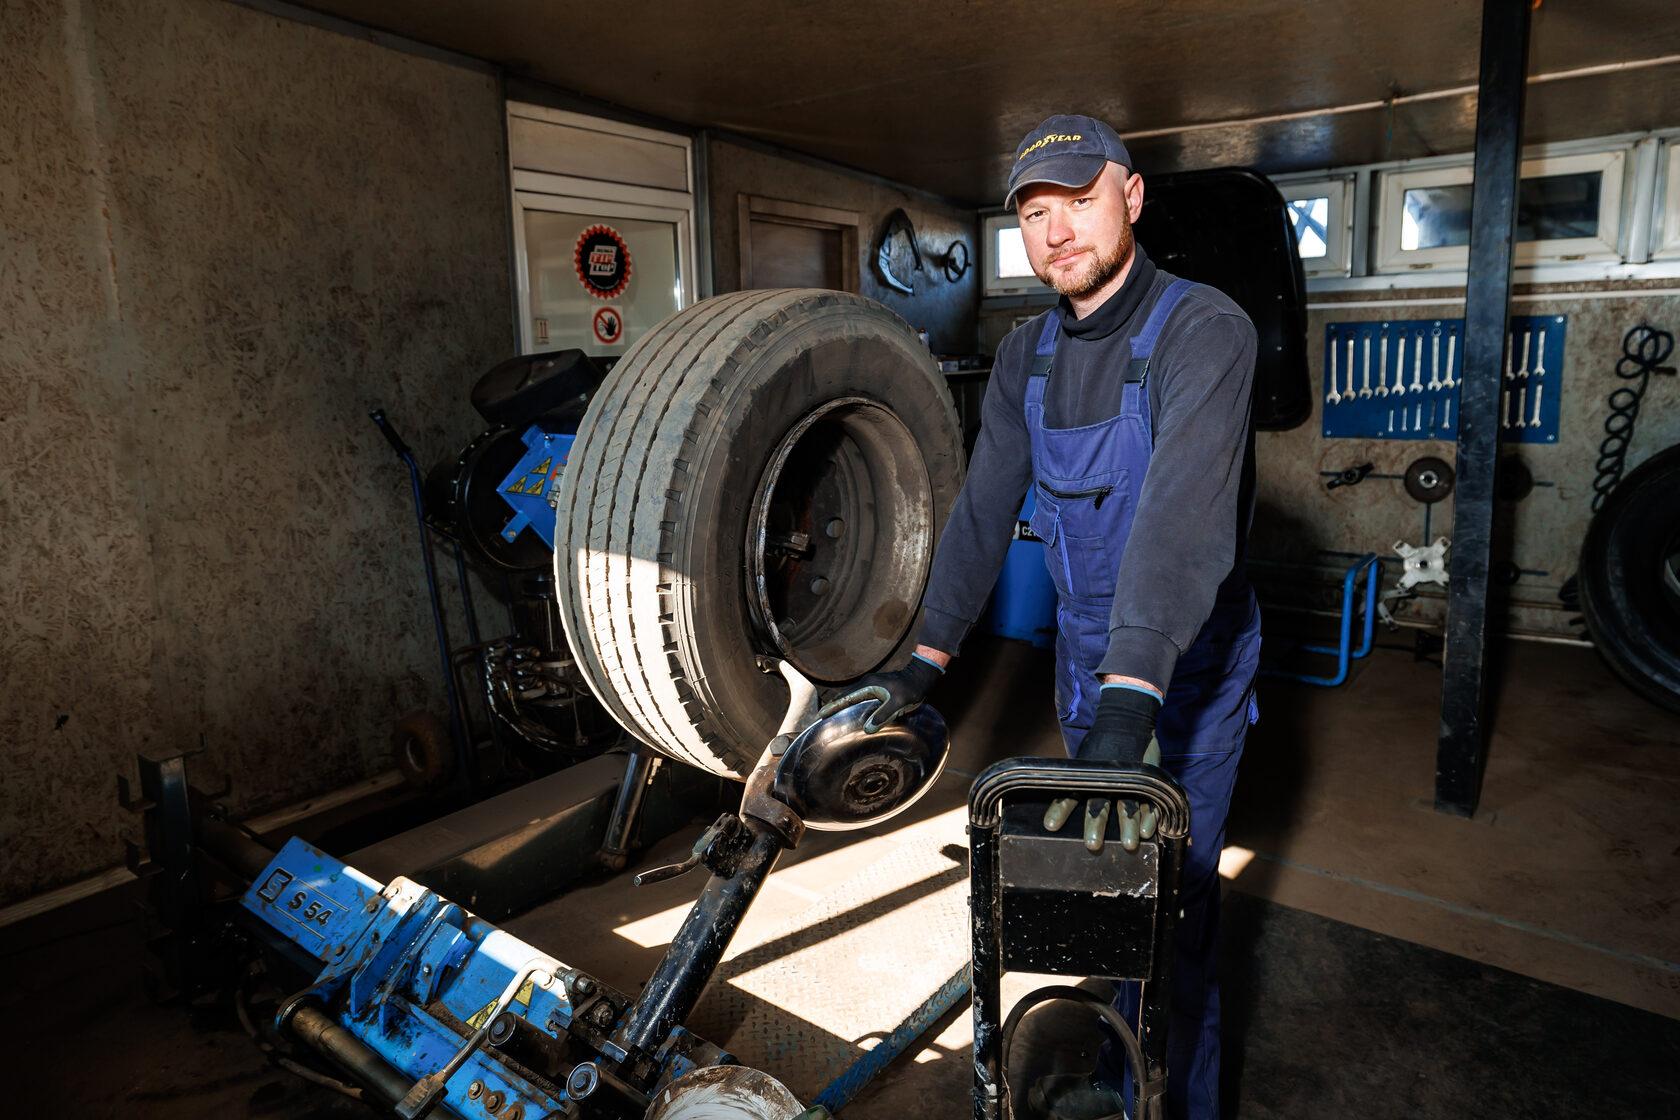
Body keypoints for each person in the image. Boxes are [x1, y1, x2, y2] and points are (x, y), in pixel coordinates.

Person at [823, 114, 1261, 1120]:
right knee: (1105, 899)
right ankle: (1114, 1079)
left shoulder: (1207, 330)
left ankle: (1179, 1106)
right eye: (1032, 212)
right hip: (1086, 664)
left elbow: (1181, 530)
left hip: (1182, 672)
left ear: (1132, 196)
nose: (1056, 230)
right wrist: (921, 658)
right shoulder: (1026, 357)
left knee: (1175, 909)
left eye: (1077, 200)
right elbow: (983, 512)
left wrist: (1129, 714)